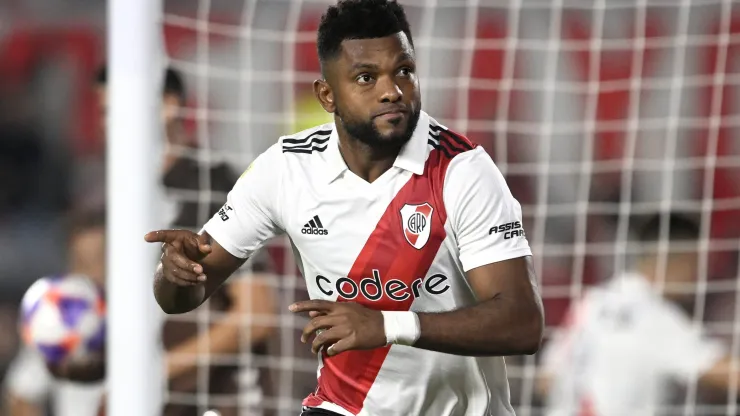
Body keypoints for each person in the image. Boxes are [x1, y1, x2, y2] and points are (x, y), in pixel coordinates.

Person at [145, 1, 544, 415]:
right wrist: (174, 272)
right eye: (366, 77)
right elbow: (179, 297)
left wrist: (388, 325)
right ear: (327, 95)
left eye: (403, 71)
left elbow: (522, 323)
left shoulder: (462, 171)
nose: (392, 90)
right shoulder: (287, 168)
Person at [94, 66, 277, 416]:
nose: (108, 124)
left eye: (118, 110)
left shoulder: (211, 187)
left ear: (169, 106)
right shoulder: (123, 198)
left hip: (226, 404)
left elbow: (256, 314)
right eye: (103, 112)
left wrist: (153, 372)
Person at [538, 213, 740, 416]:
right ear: (682, 261)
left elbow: (544, 380)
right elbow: (730, 375)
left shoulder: (592, 302)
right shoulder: (656, 317)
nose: (701, 277)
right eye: (699, 264)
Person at [3, 210, 107, 416]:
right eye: (83, 264)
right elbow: (20, 396)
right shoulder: (52, 322)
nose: (94, 274)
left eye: (101, 260)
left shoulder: (152, 307)